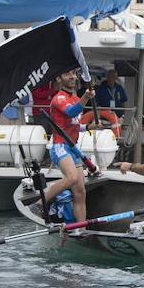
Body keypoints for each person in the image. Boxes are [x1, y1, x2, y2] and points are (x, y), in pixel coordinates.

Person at [42, 69, 93, 223]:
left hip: (73, 148)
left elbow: (75, 123)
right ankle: (39, 203)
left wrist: (90, 127)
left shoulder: (76, 98)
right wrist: (86, 97)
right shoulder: (58, 99)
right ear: (58, 78)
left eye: (74, 73)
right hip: (59, 146)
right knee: (71, 178)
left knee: (80, 192)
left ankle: (81, 230)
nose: (72, 77)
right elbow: (71, 112)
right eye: (67, 74)